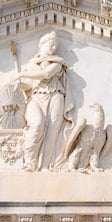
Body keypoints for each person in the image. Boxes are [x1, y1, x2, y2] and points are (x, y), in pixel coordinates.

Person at [13, 31, 72, 170]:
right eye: (51, 45)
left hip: (55, 96)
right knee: (37, 124)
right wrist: (18, 84)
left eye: (55, 46)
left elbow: (45, 75)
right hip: (36, 96)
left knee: (52, 131)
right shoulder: (31, 64)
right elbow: (28, 84)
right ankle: (30, 163)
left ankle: (46, 165)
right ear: (42, 45)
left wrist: (21, 73)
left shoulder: (57, 63)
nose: (52, 49)